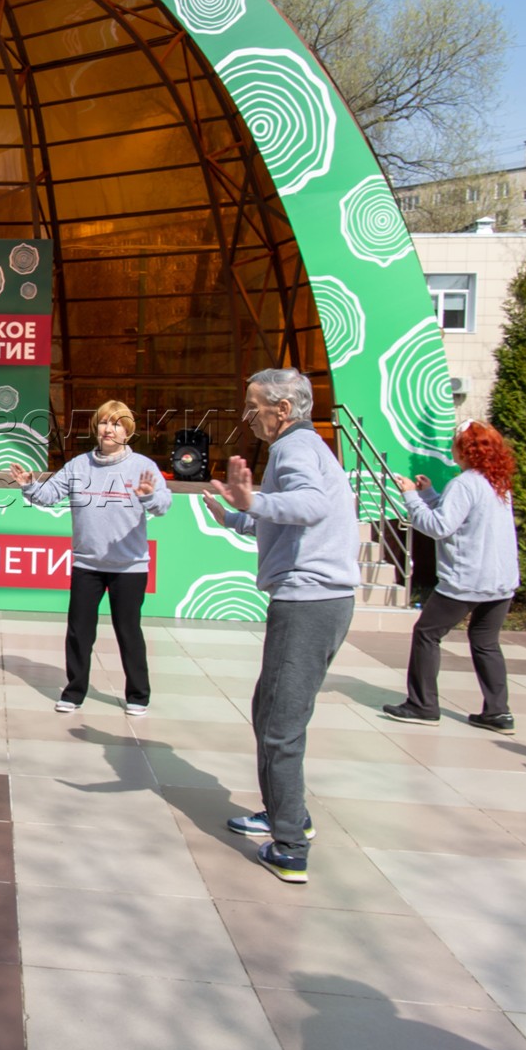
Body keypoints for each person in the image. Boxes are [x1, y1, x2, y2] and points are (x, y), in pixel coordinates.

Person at [204, 369, 358, 885]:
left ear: (283, 409)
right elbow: (286, 516)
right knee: (269, 708)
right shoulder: (305, 448)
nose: (250, 416)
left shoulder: (295, 450)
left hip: (309, 600)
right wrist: (237, 516)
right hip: (317, 599)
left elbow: (309, 507)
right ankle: (283, 812)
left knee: (279, 724)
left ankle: (290, 844)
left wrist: (254, 502)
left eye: (254, 406)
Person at [9, 400, 171, 717]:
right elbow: (49, 495)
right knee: (79, 631)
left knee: (129, 631)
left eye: (117, 424)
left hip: (129, 566)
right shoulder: (78, 466)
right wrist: (29, 485)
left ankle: (138, 695)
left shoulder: (142, 466)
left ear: (128, 431)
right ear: (95, 428)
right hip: (87, 564)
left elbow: (163, 504)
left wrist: (149, 495)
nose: (109, 429)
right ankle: (74, 691)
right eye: (103, 423)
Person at [381, 421, 520, 735]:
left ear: (466, 450)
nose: (452, 447)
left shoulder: (465, 483)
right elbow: (458, 517)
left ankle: (422, 705)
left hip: (467, 580)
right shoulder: (496, 482)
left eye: (456, 443)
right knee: (486, 643)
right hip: (500, 582)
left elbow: (439, 527)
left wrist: (412, 497)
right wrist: (429, 493)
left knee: (427, 634)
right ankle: (498, 713)